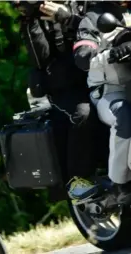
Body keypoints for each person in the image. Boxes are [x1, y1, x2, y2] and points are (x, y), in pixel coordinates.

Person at [10, 0, 105, 200]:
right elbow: (40, 59)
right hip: (67, 87)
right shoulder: (40, 14)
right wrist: (30, 19)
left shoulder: (88, 4)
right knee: (84, 114)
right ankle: (78, 180)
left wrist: (68, 18)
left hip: (106, 72)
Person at [69, 1, 131, 205]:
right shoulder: (93, 19)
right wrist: (112, 54)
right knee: (124, 116)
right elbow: (82, 57)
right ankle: (119, 183)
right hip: (110, 91)